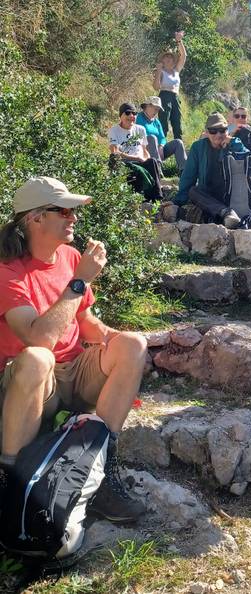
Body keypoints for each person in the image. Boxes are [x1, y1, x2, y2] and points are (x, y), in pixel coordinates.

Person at [0, 176, 147, 522]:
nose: (74, 218)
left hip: (74, 370)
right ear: (35, 218)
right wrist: (80, 280)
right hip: (30, 382)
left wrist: (118, 339)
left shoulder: (68, 256)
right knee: (38, 357)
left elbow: (86, 321)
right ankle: (11, 482)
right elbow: (39, 339)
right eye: (64, 210)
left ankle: (97, 468)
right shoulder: (7, 271)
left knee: (133, 345)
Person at [162, 113, 251, 229]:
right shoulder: (198, 148)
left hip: (231, 193)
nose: (218, 134)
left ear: (227, 130)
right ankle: (226, 212)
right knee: (193, 191)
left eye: (222, 130)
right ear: (206, 132)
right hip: (208, 193)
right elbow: (188, 177)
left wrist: (233, 143)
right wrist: (177, 201)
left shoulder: (234, 143)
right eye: (213, 131)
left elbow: (248, 158)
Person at [108, 102, 163, 202]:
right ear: (121, 115)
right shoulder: (114, 130)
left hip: (140, 161)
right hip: (125, 162)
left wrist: (146, 159)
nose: (131, 116)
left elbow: (144, 150)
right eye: (128, 113)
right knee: (113, 157)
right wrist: (135, 158)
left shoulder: (140, 129)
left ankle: (156, 198)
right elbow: (114, 151)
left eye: (134, 113)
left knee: (152, 161)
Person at [136, 96, 187, 173]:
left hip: (159, 151)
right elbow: (141, 136)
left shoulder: (156, 121)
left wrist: (161, 146)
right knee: (152, 138)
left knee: (178, 142)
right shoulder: (139, 118)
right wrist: (156, 145)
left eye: (158, 110)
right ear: (148, 106)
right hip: (144, 148)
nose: (157, 112)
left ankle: (185, 172)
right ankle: (158, 171)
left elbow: (162, 138)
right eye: (155, 109)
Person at [153, 31, 187, 140]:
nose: (168, 58)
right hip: (164, 96)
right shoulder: (161, 71)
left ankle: (179, 150)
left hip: (175, 98)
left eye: (170, 56)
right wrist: (158, 71)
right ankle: (161, 148)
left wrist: (179, 41)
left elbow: (184, 56)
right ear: (162, 60)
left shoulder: (176, 70)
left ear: (173, 59)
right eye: (165, 56)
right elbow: (156, 87)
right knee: (163, 124)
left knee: (177, 124)